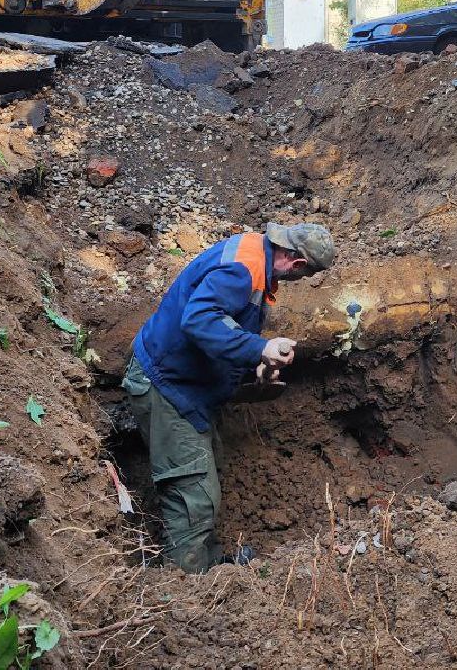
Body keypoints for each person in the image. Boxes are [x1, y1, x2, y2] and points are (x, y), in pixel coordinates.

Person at [123, 221, 336, 572]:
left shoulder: (253, 253)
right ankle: (186, 587)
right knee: (194, 493)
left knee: (208, 472)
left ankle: (204, 562)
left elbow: (226, 324)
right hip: (164, 383)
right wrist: (262, 347)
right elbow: (199, 320)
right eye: (306, 274)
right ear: (296, 264)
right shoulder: (243, 270)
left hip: (185, 386)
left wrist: (255, 365)